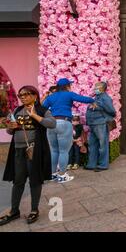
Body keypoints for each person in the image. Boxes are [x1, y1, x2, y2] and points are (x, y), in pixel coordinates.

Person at [0, 86, 56, 226]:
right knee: (18, 180)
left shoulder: (42, 110)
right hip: (18, 150)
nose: (23, 97)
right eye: (20, 95)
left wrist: (34, 115)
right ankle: (14, 211)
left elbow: (52, 124)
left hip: (35, 150)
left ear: (35, 96)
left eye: (26, 94)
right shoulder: (17, 110)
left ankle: (34, 210)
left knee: (34, 179)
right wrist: (10, 128)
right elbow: (10, 132)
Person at [42, 78, 95, 183]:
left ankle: (53, 174)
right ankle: (62, 175)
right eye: (69, 85)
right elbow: (83, 99)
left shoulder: (51, 96)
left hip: (51, 124)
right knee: (63, 151)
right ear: (67, 86)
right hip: (64, 122)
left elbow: (43, 108)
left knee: (54, 151)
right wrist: (92, 101)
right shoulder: (69, 94)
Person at [85, 82, 115, 171]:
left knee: (102, 145)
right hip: (93, 124)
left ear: (103, 88)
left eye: (97, 87)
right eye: (95, 87)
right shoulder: (97, 97)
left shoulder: (105, 98)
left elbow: (112, 111)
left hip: (100, 123)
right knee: (92, 144)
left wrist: (100, 107)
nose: (95, 88)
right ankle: (91, 164)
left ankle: (103, 165)